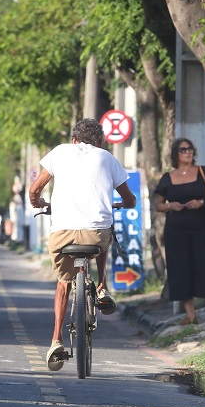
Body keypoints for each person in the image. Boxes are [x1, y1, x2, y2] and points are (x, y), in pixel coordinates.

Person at [29, 118, 136, 371]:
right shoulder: (107, 157)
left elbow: (35, 189)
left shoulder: (59, 151)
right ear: (99, 141)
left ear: (74, 140)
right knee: (104, 230)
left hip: (62, 236)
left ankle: (56, 339)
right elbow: (129, 199)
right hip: (95, 236)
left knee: (63, 283)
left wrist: (38, 202)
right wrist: (125, 204)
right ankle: (102, 286)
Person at [154, 138, 205, 323]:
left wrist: (201, 202)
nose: (188, 152)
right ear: (175, 153)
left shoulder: (203, 172)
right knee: (182, 269)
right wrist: (171, 206)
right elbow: (158, 205)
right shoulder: (168, 178)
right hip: (176, 232)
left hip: (203, 230)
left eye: (190, 149)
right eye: (183, 149)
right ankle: (190, 315)